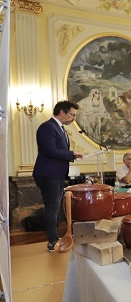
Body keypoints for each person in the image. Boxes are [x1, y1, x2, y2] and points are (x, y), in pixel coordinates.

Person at [33, 100, 85, 252]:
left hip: (56, 173)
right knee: (52, 207)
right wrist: (72, 153)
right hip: (48, 174)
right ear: (61, 112)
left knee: (54, 207)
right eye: (72, 114)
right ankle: (52, 242)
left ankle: (55, 238)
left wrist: (71, 156)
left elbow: (57, 151)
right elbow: (50, 151)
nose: (73, 118)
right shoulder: (47, 127)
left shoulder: (59, 128)